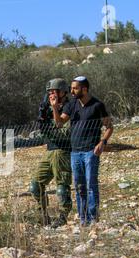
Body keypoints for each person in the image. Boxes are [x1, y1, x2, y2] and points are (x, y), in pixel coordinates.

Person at [51, 76, 113, 226]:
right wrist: (54, 107)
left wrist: (102, 143)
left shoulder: (97, 105)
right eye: (71, 88)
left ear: (84, 89)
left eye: (75, 88)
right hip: (75, 152)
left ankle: (93, 218)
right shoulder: (72, 105)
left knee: (91, 185)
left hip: (91, 152)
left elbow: (109, 127)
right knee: (79, 186)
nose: (71, 91)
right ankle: (83, 218)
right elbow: (59, 123)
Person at [30, 78, 72, 228]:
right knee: (35, 185)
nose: (51, 95)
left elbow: (63, 130)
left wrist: (55, 109)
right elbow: (45, 129)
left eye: (54, 92)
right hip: (50, 149)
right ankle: (42, 214)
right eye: (49, 92)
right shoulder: (47, 107)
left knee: (61, 186)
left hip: (63, 150)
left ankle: (63, 216)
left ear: (62, 92)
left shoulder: (70, 106)